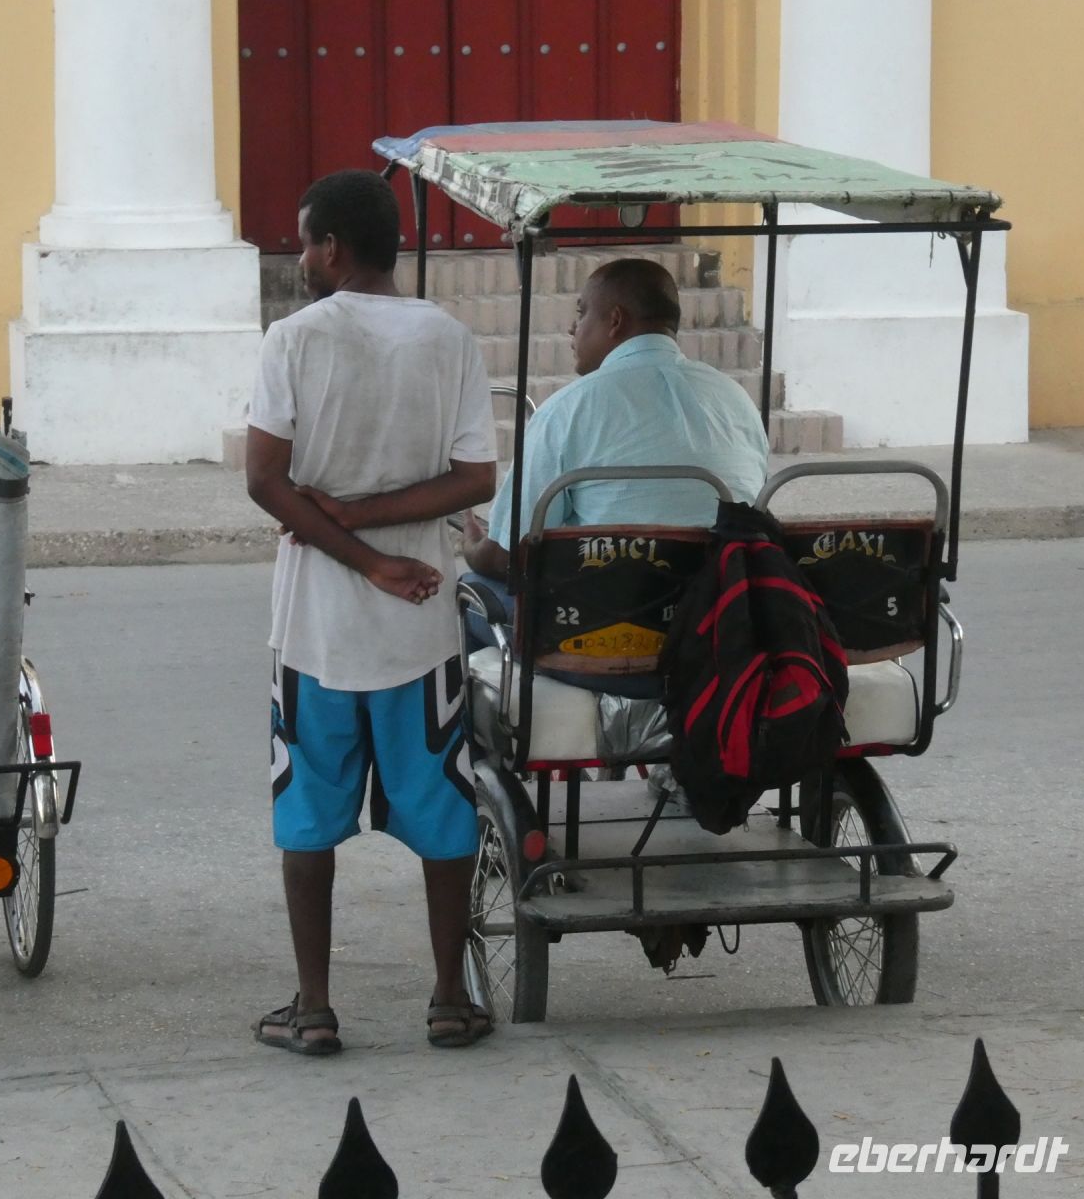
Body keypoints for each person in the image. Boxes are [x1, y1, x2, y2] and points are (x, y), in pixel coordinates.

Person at [243, 169, 498, 1054]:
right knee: (442, 809)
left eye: (307, 240)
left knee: (308, 813)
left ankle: (313, 1008)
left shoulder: (292, 340)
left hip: (315, 624)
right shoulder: (450, 338)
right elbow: (476, 480)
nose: (302, 255)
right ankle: (448, 997)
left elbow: (264, 481)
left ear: (333, 248)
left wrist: (352, 545)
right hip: (422, 624)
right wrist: (387, 550)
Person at [461, 257, 770, 680]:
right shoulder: (736, 401)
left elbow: (511, 558)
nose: (572, 329)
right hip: (721, 630)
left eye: (581, 312)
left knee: (470, 594)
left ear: (615, 321)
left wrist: (474, 547)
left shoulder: (569, 410)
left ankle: (494, 741)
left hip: (603, 643)